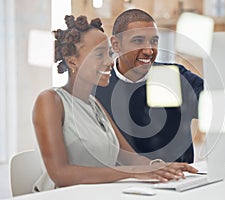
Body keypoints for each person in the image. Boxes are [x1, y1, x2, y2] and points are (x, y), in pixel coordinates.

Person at [32, 15, 197, 192]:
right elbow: (61, 174)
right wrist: (132, 172)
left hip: (97, 194)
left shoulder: (95, 105)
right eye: (99, 54)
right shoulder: (50, 101)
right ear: (72, 60)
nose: (110, 61)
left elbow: (130, 159)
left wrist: (161, 167)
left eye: (110, 54)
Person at [94, 9, 204, 163]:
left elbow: (219, 106)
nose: (149, 50)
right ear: (116, 44)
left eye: (154, 41)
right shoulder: (97, 88)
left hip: (179, 181)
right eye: (138, 41)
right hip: (120, 183)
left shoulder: (176, 78)